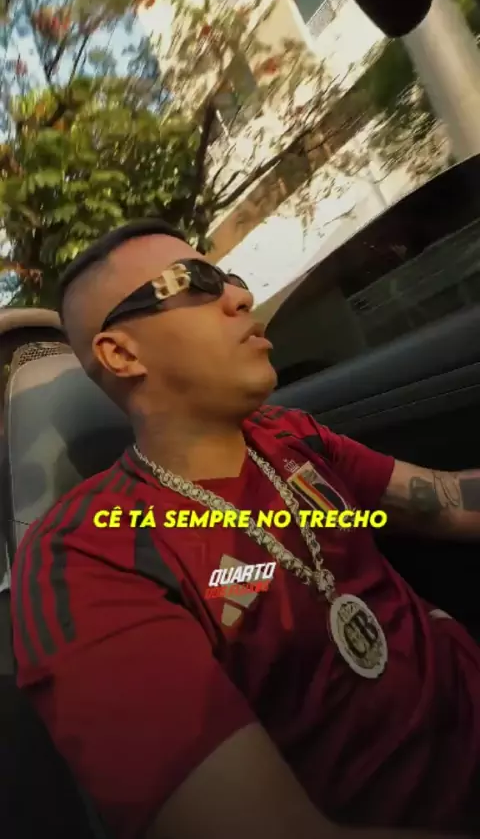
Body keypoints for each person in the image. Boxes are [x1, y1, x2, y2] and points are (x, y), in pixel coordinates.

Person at [10, 219, 480, 839]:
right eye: (196, 282)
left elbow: (447, 500)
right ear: (121, 354)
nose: (240, 295)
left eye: (228, 277)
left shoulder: (290, 436)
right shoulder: (83, 556)